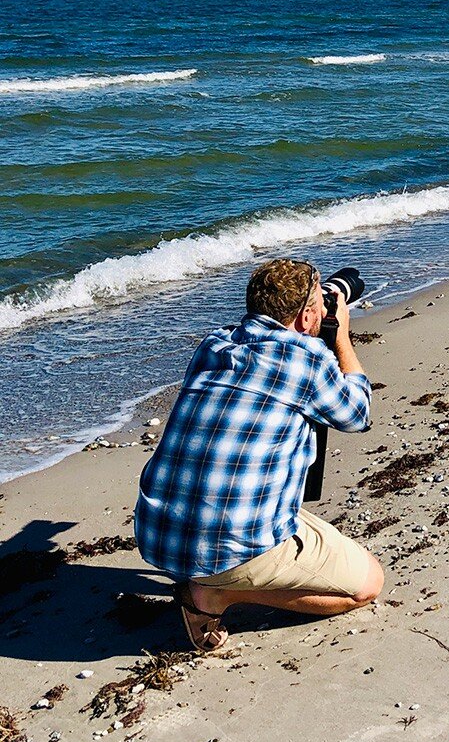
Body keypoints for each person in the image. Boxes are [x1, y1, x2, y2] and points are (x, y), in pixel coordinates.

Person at [134, 258, 382, 653]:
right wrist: (341, 337)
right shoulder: (309, 362)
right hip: (231, 546)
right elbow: (357, 415)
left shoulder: (215, 343)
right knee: (367, 585)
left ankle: (216, 580)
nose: (327, 307)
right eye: (321, 302)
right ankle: (211, 598)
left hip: (158, 534)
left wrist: (317, 319)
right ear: (304, 317)